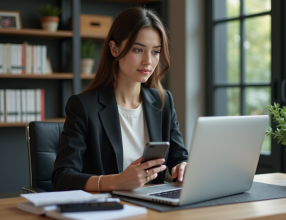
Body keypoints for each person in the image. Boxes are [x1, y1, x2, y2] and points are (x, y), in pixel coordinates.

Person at [52, 7, 189, 192]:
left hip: (156, 209)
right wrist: (116, 181)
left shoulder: (163, 102)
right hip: (108, 209)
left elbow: (179, 158)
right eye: (138, 50)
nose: (148, 61)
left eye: (155, 52)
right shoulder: (83, 106)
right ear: (114, 49)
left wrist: (182, 167)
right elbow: (62, 177)